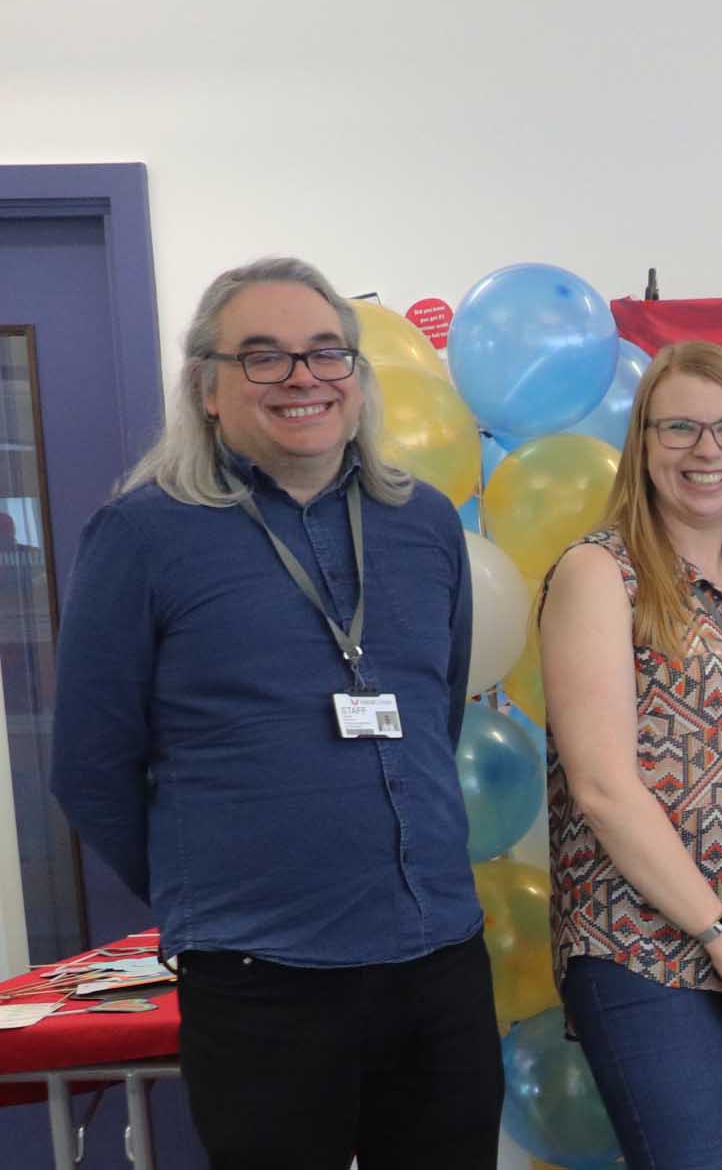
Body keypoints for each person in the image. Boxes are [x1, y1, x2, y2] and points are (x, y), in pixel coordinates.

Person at [50, 257, 500, 1167]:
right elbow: (89, 767)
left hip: (438, 960)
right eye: (264, 356)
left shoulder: (425, 525)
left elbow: (433, 712)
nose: (302, 378)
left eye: (325, 354)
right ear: (207, 388)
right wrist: (213, 893)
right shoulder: (144, 535)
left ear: (358, 380)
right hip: (261, 982)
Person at [539, 341, 722, 1170]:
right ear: (643, 443)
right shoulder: (601, 573)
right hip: (646, 952)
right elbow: (600, 787)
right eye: (681, 428)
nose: (708, 450)